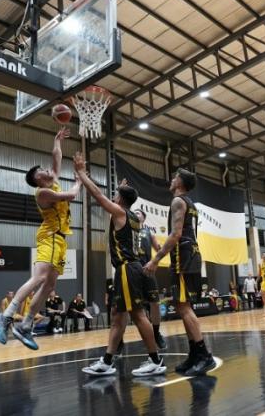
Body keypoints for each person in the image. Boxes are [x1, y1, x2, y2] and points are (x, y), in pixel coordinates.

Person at [73, 154, 165, 377]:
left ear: (121, 200)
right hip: (132, 268)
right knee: (117, 315)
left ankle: (155, 360)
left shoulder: (120, 212)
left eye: (116, 195)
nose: (113, 197)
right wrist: (122, 189)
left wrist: (82, 174)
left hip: (127, 269)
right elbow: (118, 201)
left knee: (138, 315)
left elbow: (98, 195)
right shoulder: (133, 216)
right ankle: (107, 361)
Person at [0, 128, 81, 350]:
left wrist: (57, 141)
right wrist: (79, 180)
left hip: (60, 240)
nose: (47, 170)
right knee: (40, 277)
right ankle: (5, 316)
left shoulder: (52, 181)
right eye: (42, 172)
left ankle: (25, 325)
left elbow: (56, 158)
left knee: (50, 284)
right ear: (39, 180)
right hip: (49, 236)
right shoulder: (43, 193)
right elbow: (72, 195)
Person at [143, 168, 216, 376]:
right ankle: (194, 354)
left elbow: (175, 235)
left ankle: (204, 355)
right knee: (183, 305)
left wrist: (155, 259)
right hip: (188, 255)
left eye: (175, 177)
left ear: (181, 183)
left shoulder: (178, 201)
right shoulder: (189, 203)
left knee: (184, 307)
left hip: (184, 257)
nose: (172, 179)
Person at [134, 209, 167, 350]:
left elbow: (160, 250)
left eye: (138, 212)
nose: (135, 214)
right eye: (134, 212)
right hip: (132, 270)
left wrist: (155, 262)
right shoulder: (128, 229)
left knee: (155, 303)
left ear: (144, 217)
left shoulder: (149, 232)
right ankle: (119, 343)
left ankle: (156, 333)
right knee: (128, 307)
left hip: (147, 269)